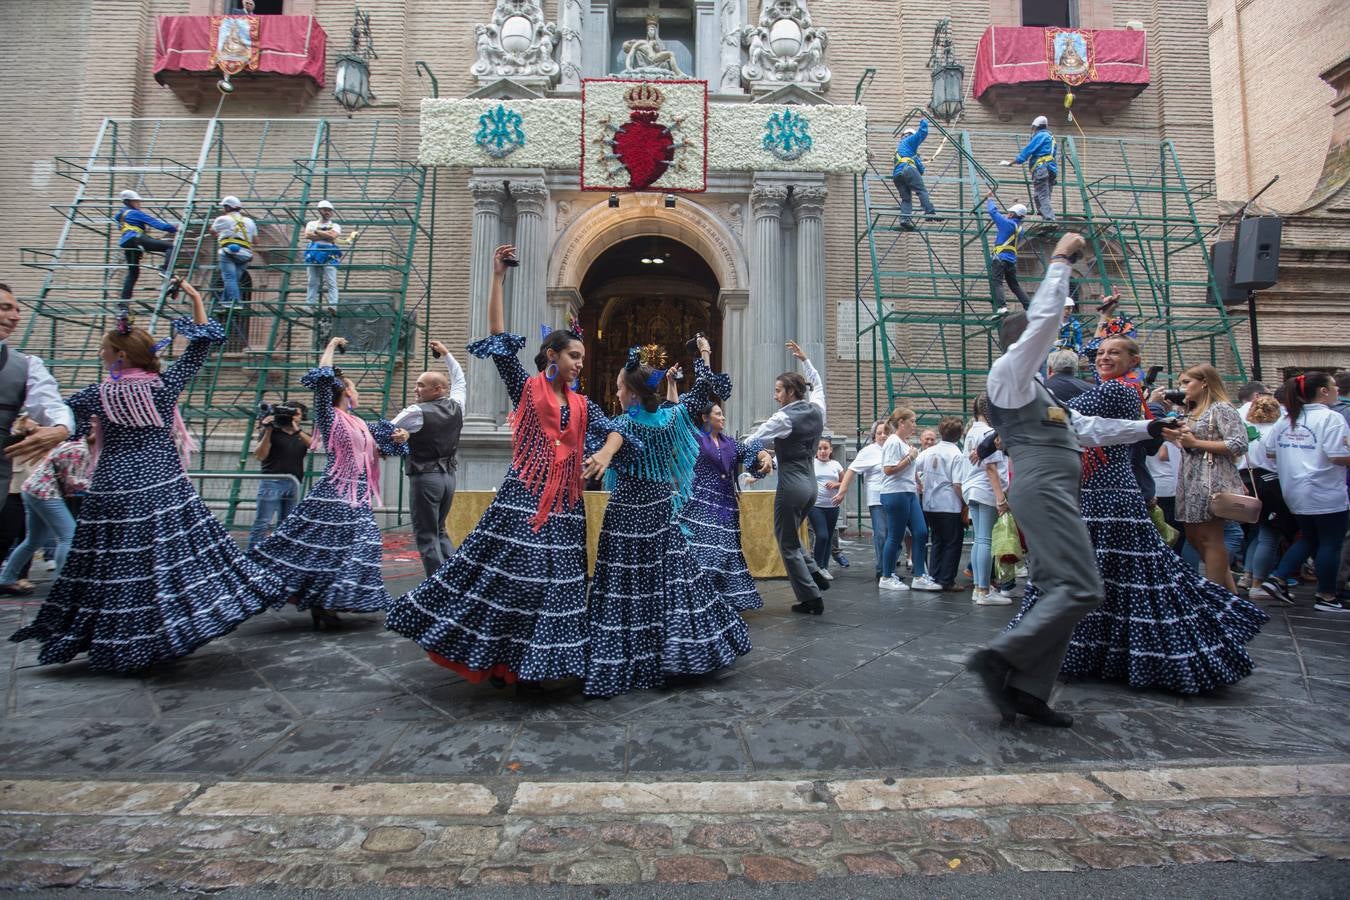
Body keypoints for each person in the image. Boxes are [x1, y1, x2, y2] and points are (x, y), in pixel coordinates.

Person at [966, 233, 1185, 726]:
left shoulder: (1040, 390)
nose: (1056, 331)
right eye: (1044, 332)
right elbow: (1043, 322)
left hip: (1052, 485)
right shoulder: (1009, 373)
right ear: (1024, 343)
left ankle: (1027, 690)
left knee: (1058, 587)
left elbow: (1087, 428)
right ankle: (1001, 658)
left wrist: (1148, 426)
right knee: (1083, 586)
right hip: (1042, 484)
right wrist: (1061, 260)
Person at [385, 245, 629, 686]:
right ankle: (501, 657)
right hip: (524, 501)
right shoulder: (527, 389)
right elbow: (497, 335)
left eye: (582, 360)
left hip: (567, 507)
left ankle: (545, 662)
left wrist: (605, 452)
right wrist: (497, 278)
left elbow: (618, 430)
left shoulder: (584, 404)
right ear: (552, 355)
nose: (579, 364)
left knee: (561, 584)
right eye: (574, 356)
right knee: (516, 579)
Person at [10, 280, 282, 671]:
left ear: (119, 356)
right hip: (160, 485)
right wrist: (195, 299)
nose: (101, 353)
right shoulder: (162, 387)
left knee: (116, 566)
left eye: (104, 349)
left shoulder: (98, 394)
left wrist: (27, 426)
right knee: (164, 562)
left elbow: (60, 420)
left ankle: (118, 638)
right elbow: (201, 346)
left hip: (111, 488)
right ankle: (160, 631)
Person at [1008, 333, 1268, 694]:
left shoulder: (1116, 391)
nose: (1104, 357)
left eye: (1115, 352)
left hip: (1109, 495)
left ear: (1134, 361)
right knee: (1116, 575)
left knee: (1097, 571)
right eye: (1100, 352)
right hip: (1101, 491)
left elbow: (1062, 414)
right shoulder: (1120, 389)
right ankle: (1095, 652)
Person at [584, 339, 751, 697]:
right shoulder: (673, 417)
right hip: (661, 510)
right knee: (670, 579)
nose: (615, 392)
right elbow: (706, 390)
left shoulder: (622, 424)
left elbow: (609, 442)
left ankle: (631, 653)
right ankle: (678, 650)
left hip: (627, 514)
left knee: (625, 583)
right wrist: (702, 355)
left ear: (629, 392)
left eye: (617, 387)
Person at [249, 337, 409, 628]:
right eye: (353, 386)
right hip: (336, 491)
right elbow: (323, 381)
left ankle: (328, 601)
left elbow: (384, 441)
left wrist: (401, 436)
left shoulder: (360, 423)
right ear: (345, 391)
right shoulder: (330, 418)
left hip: (358, 494)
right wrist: (332, 346)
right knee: (341, 545)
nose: (356, 390)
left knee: (352, 545)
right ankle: (326, 603)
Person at [746, 341, 828, 615]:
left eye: (778, 390)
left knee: (786, 541)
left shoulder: (783, 418)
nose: (775, 396)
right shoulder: (818, 410)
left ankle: (810, 598)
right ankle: (815, 573)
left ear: (791, 392)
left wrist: (738, 449)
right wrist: (806, 361)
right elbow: (817, 384)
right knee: (792, 534)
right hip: (810, 485)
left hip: (792, 485)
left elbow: (754, 440)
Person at [1257, 373, 1350, 611]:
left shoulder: (1287, 418)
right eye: (1333, 386)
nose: (1337, 389)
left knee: (1310, 537)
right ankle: (1326, 596)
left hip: (1294, 490)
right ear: (1322, 391)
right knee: (1331, 542)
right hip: (1325, 490)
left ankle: (1278, 578)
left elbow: (1270, 452)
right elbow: (1337, 456)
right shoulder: (1331, 418)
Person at [678, 386, 766, 613]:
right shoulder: (694, 438)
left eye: (723, 414)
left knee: (727, 551)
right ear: (705, 417)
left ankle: (727, 601)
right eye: (718, 413)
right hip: (700, 504)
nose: (723, 417)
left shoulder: (730, 443)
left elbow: (751, 450)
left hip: (726, 505)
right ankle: (700, 598)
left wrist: (764, 455)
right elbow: (678, 409)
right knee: (706, 550)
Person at [390, 342, 467, 577]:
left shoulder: (415, 412)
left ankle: (437, 588)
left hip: (426, 478)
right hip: (448, 478)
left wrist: (403, 436)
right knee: (440, 530)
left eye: (421, 385)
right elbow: (460, 379)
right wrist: (446, 354)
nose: (416, 389)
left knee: (426, 535)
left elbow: (385, 431)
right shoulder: (458, 406)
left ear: (438, 390)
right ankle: (455, 578)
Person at [1171, 364, 1248, 593]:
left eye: (1187, 382)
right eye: (1181, 383)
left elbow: (1239, 443)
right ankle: (1230, 595)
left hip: (1211, 477)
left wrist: (1195, 443)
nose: (1182, 387)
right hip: (1190, 477)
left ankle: (1214, 596)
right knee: (1194, 537)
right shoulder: (1191, 411)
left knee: (1210, 537)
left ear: (1204, 382)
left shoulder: (1221, 408)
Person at [0, 434, 89, 593]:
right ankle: (63, 586)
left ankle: (6, 579)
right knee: (68, 536)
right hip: (45, 492)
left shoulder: (85, 448)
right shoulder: (78, 449)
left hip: (34, 489)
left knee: (33, 540)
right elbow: (73, 482)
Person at [1242, 395, 1298, 601]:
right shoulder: (1276, 430)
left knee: (1257, 533)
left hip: (1250, 479)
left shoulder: (1248, 431)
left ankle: (1248, 575)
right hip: (1270, 482)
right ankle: (1259, 583)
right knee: (1270, 534)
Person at [877, 407, 934, 593]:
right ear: (901, 423)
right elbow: (888, 469)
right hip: (895, 493)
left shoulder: (903, 442)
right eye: (912, 421)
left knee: (921, 531)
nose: (914, 425)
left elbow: (908, 468)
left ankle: (919, 576)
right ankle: (886, 576)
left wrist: (917, 480)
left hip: (909, 492)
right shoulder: (893, 442)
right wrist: (910, 457)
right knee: (895, 535)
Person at [963, 395, 1011, 605]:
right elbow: (991, 467)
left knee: (979, 539)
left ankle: (979, 587)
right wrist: (1000, 497)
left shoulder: (972, 431)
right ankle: (984, 590)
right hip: (985, 489)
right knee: (985, 539)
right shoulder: (987, 433)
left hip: (972, 488)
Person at [246, 398, 312, 550]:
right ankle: (252, 555)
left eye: (298, 414)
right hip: (272, 481)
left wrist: (298, 431)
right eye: (293, 414)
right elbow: (260, 455)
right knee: (263, 522)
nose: (296, 417)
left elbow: (313, 445)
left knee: (286, 523)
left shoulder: (301, 434)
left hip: (294, 482)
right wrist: (268, 430)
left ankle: (279, 554)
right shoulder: (272, 431)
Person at [834, 420, 890, 581]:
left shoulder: (895, 447)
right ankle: (882, 569)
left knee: (894, 535)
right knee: (881, 534)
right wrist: (842, 491)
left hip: (895, 498)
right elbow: (851, 470)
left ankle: (890, 566)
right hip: (877, 498)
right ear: (874, 436)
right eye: (879, 433)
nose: (883, 436)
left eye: (886, 432)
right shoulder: (869, 451)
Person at [916, 416, 966, 591]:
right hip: (949, 504)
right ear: (959, 435)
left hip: (930, 503)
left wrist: (919, 483)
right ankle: (947, 579)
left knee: (937, 540)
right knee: (952, 542)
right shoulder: (957, 454)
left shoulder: (930, 451)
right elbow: (957, 483)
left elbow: (913, 466)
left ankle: (934, 574)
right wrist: (964, 501)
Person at [115, 190, 178, 301]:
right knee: (170, 247)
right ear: (129, 202)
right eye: (136, 202)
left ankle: (124, 302)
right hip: (136, 238)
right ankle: (166, 271)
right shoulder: (134, 213)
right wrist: (175, 228)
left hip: (127, 243)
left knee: (133, 273)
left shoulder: (121, 217)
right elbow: (157, 224)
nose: (139, 204)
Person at [1000, 115, 1057, 220]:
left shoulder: (1040, 136)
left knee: (1042, 196)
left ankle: (1050, 219)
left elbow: (1027, 151)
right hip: (1050, 170)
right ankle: (1046, 219)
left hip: (1041, 168)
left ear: (1036, 126)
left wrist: (1011, 162)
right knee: (1039, 196)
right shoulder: (1051, 138)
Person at [985, 192, 1030, 315]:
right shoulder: (1020, 230)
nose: (1007, 214)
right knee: (1014, 285)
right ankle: (1028, 306)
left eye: (1009, 213)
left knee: (997, 282)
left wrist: (990, 199)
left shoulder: (1007, 224)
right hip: (1011, 261)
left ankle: (1002, 307)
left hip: (1000, 259)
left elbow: (993, 212)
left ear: (1013, 215)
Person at [211, 196, 257, 310]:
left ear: (227, 208)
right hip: (246, 254)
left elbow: (212, 231)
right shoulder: (250, 221)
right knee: (234, 280)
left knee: (229, 279)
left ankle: (235, 302)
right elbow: (256, 241)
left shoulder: (223, 219)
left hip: (228, 252)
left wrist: (222, 235)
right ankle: (223, 303)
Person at [891, 118, 938, 230]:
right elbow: (923, 132)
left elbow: (920, 169)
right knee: (921, 190)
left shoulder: (900, 150)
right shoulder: (909, 141)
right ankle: (929, 212)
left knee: (906, 199)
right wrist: (924, 118)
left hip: (897, 176)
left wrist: (918, 159)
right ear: (910, 135)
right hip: (908, 170)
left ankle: (904, 219)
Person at [809, 438, 844, 577]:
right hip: (816, 505)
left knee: (829, 536)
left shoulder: (836, 464)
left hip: (833, 505)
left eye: (825, 448)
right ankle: (818, 566)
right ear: (816, 451)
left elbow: (844, 481)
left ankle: (824, 566)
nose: (822, 451)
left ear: (830, 450)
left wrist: (836, 485)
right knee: (822, 535)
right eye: (819, 449)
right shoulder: (811, 463)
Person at [303, 199, 343, 313]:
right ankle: (310, 306)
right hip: (314, 253)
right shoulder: (311, 223)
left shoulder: (335, 225)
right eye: (325, 210)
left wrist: (316, 232)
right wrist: (326, 235)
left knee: (331, 281)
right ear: (319, 210)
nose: (328, 213)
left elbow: (333, 236)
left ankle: (333, 305)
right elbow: (307, 235)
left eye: (330, 211)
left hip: (329, 254)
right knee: (312, 281)